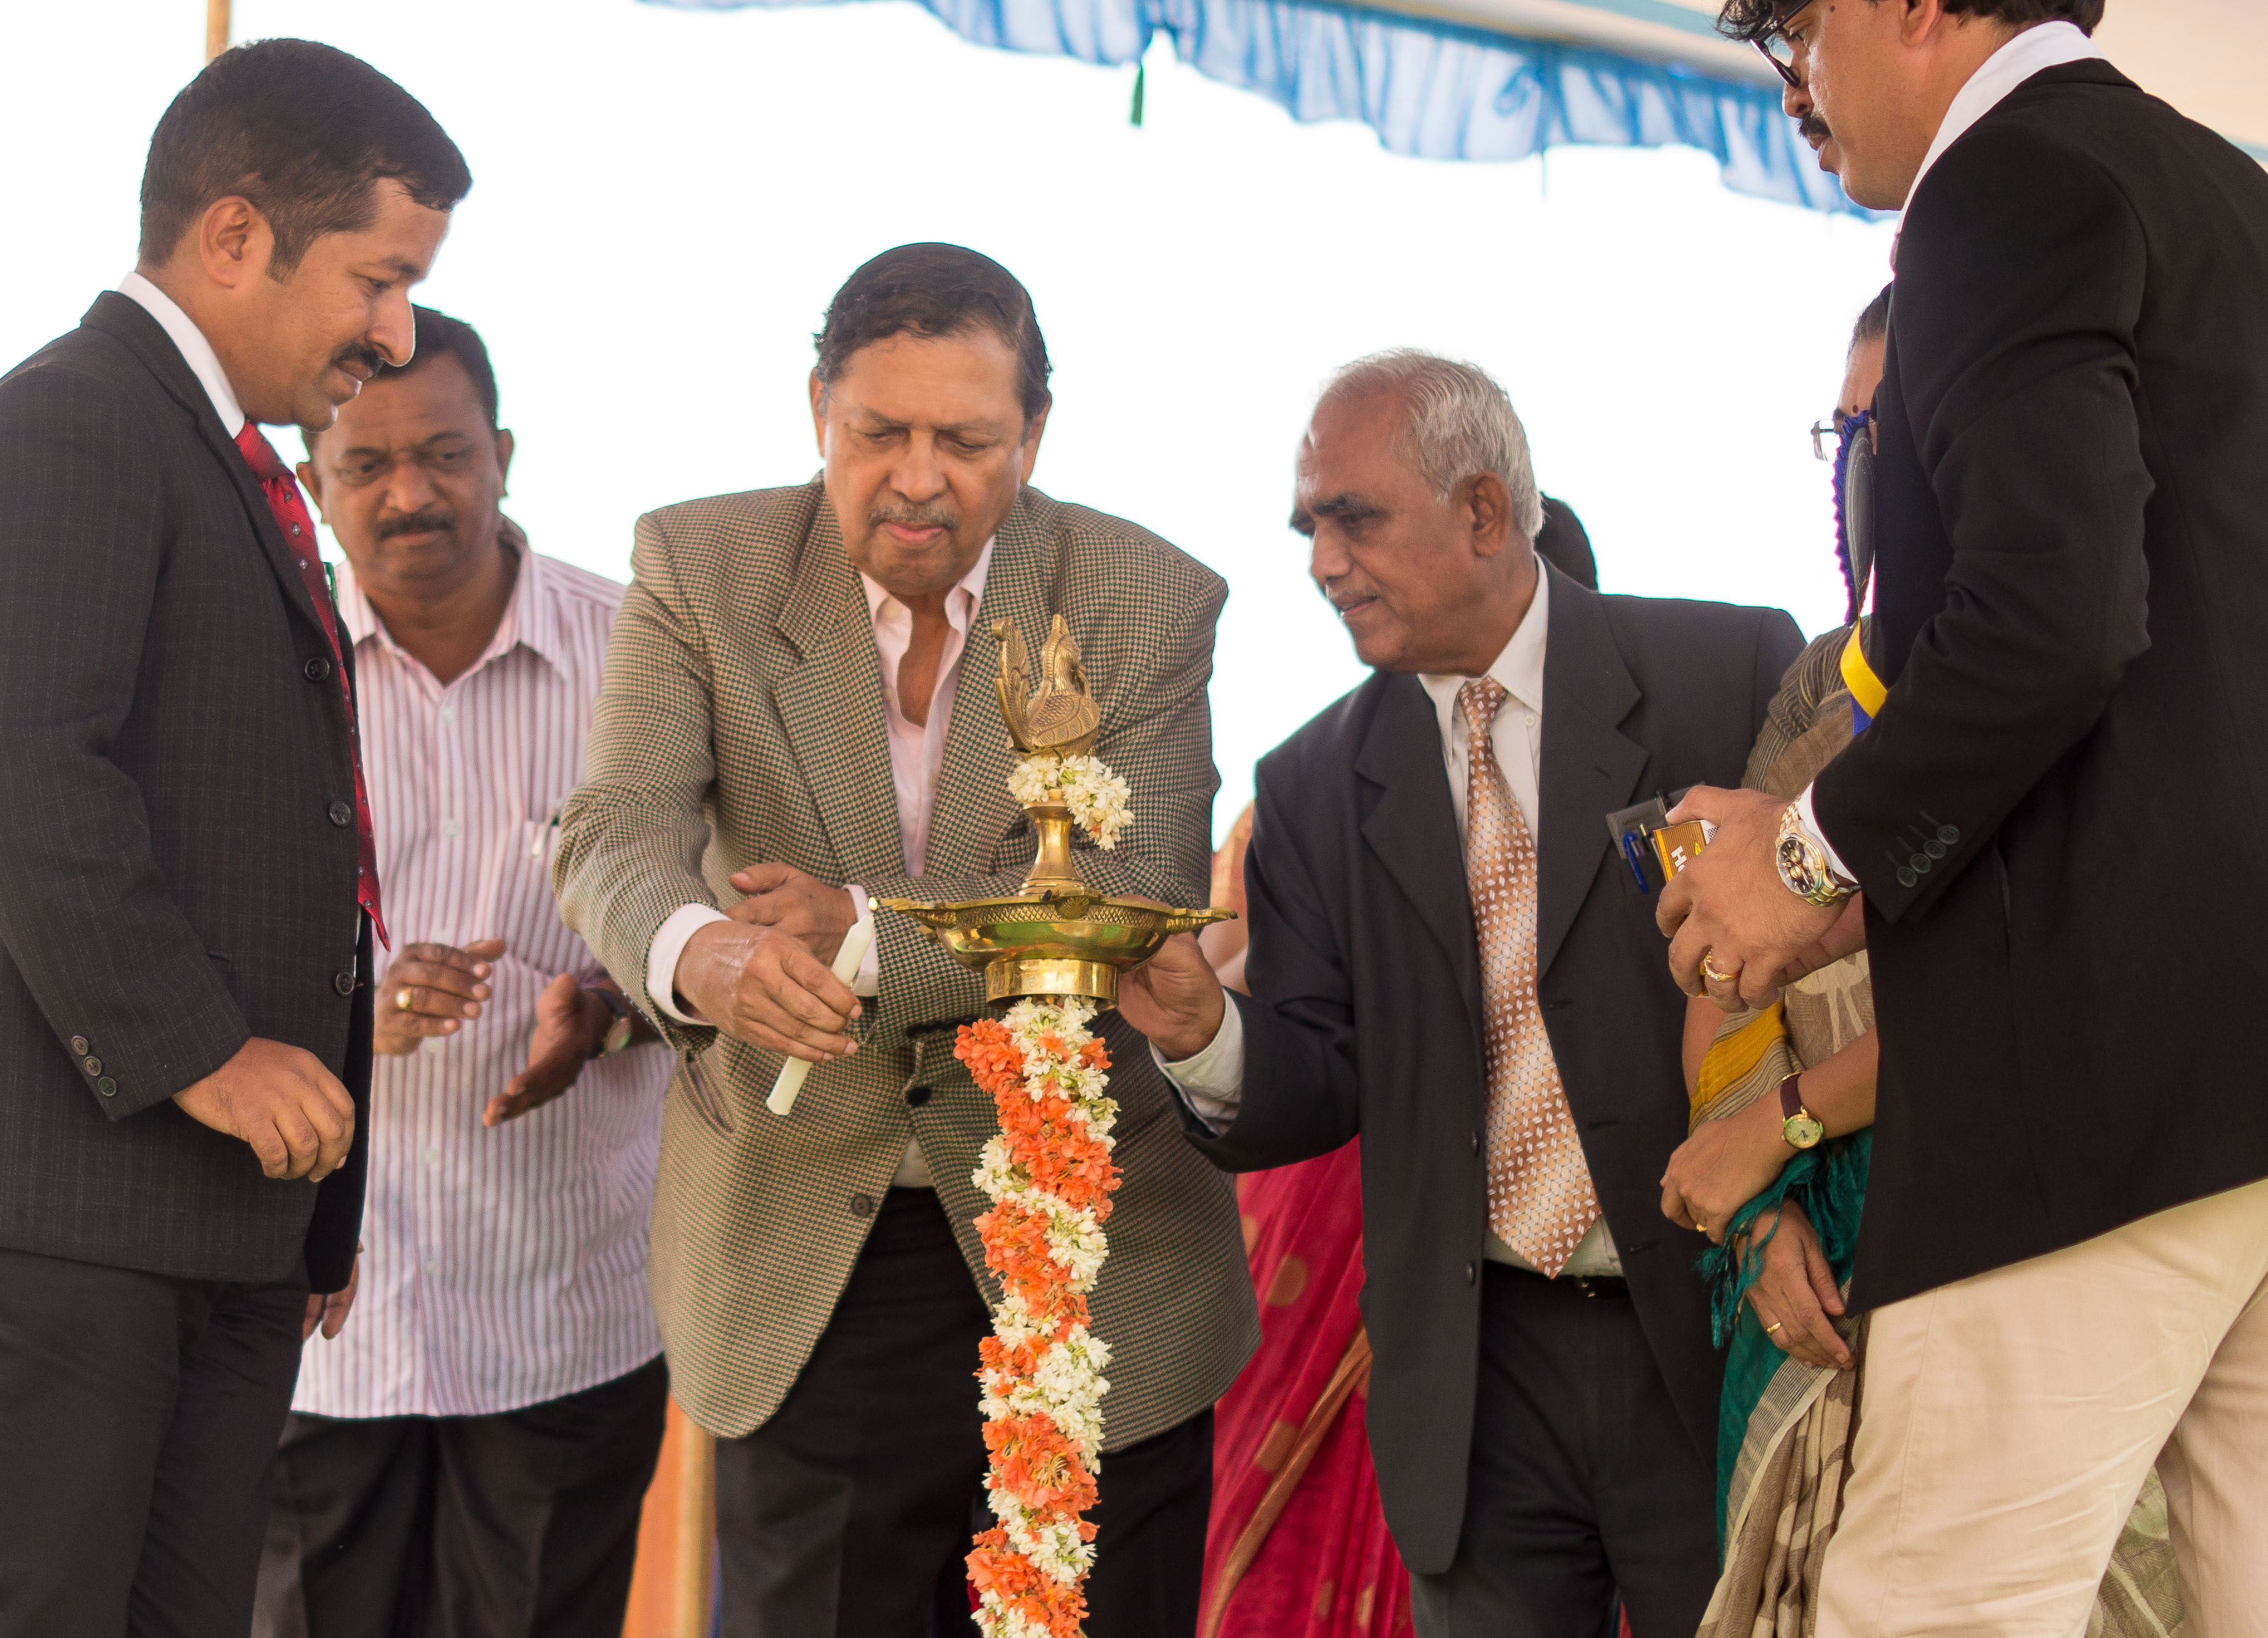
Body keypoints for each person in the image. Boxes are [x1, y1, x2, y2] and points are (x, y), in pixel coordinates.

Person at [0, 40, 468, 1636]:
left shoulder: (205, 453)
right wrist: (205, 1055)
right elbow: (17, 758)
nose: (395, 336)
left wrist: (307, 1209)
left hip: (205, 1211)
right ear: (235, 235)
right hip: (54, 1203)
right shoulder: (71, 422)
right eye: (379, 280)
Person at [1659, 1, 2268, 1630]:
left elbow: (2050, 620)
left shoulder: (2004, 183)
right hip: (2237, 1066)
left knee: (1931, 1606)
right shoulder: (2232, 196)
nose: (1797, 80)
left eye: (1796, 27)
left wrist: (1803, 859)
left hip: (2098, 1081)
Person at [549, 242, 1257, 1638]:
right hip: (802, 1266)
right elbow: (612, 828)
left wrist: (865, 939)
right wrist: (703, 955)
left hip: (1091, 1272)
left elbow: (1135, 886)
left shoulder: (1146, 595)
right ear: (818, 408)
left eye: (965, 441)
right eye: (878, 432)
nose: (917, 477)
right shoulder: (698, 565)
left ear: (1034, 435)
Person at [1119, 350, 1805, 1638]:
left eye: (1353, 519)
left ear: (1484, 509)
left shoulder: (1726, 671)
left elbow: (1842, 979)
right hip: (1475, 1386)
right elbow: (1320, 1075)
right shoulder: (1314, 783)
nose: (1323, 562)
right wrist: (1207, 1034)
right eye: (1308, 529)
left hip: (1717, 1320)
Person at [1661, 290, 2179, 1638]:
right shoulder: (1819, 685)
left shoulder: (2090, 672)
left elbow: (2021, 982)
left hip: (2035, 1226)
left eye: (1889, 430)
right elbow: (1726, 970)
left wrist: (1780, 1127)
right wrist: (1758, 1207)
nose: (1863, 469)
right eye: (1843, 433)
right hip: (1811, 1254)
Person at [248, 309, 673, 1637]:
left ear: (503, 453)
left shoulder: (640, 660)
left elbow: (723, 931)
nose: (410, 494)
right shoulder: (252, 667)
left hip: (566, 1309)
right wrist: (337, 1017)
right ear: (312, 481)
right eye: (366, 464)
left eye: (443, 454)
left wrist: (605, 1014)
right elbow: (181, 952)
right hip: (318, 1323)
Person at [1199, 504, 1597, 1638]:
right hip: (1348, 1183)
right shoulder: (1314, 786)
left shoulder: (1621, 762)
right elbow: (1236, 979)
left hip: (1549, 1217)